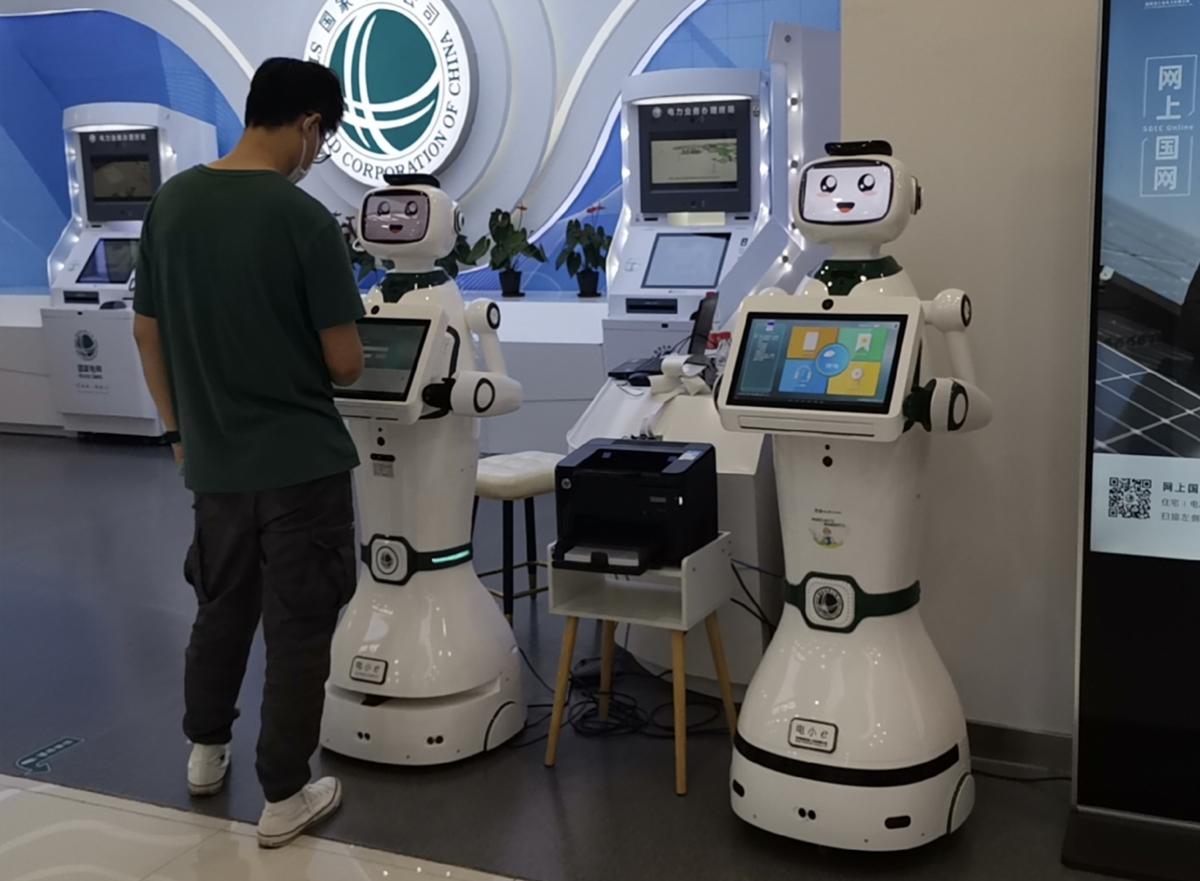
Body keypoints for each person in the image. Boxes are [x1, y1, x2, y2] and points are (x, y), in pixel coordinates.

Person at [133, 57, 365, 849]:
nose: (317, 154)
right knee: (300, 625)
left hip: (215, 464)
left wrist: (178, 433)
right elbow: (345, 362)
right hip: (302, 465)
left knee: (221, 607)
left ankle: (205, 751)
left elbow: (147, 332)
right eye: (322, 139)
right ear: (308, 125)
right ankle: (284, 793)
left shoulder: (172, 205)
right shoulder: (304, 220)